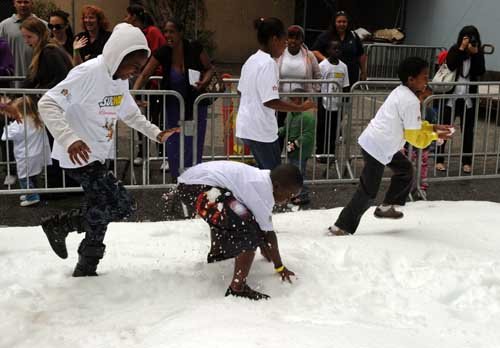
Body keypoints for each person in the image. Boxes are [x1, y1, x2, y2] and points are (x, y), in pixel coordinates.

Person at [37, 23, 179, 277]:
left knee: (100, 205)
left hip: (97, 155)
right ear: (118, 56)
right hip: (78, 156)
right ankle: (60, 225)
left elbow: (131, 114)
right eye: (133, 67)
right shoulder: (88, 73)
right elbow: (47, 103)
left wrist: (156, 133)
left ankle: (86, 267)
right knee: (123, 205)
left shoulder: (119, 80)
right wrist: (69, 139)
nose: (134, 74)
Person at [328, 57, 454, 236]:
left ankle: (386, 207)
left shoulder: (401, 91)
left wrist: (433, 128)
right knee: (368, 192)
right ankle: (341, 226)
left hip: (380, 143)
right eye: (424, 77)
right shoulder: (410, 101)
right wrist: (434, 135)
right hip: (377, 147)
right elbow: (415, 139)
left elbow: (413, 127)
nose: (427, 80)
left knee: (405, 170)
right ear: (411, 79)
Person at [171, 161, 301, 300]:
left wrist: (264, 245)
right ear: (277, 186)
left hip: (192, 183)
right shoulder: (263, 193)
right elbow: (267, 234)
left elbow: (262, 229)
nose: (287, 201)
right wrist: (279, 267)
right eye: (288, 195)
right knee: (247, 230)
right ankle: (238, 288)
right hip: (197, 187)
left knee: (232, 215)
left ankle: (218, 255)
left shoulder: (263, 179)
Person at [134, 18, 214, 180]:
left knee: (194, 142)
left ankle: (194, 177)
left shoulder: (194, 48)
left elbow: (210, 69)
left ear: (180, 33)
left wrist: (204, 81)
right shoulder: (163, 52)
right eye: (165, 32)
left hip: (195, 106)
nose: (168, 35)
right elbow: (144, 74)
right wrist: (133, 93)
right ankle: (178, 177)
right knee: (174, 142)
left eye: (172, 32)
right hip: (173, 107)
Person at [236, 17, 314, 170]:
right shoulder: (268, 64)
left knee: (265, 173)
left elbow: (241, 91)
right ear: (274, 40)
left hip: (247, 126)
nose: (285, 47)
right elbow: (270, 101)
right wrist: (300, 108)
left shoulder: (251, 60)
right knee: (274, 175)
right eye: (284, 42)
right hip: (261, 131)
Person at [435, 25, 486, 174]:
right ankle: (439, 160)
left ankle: (467, 162)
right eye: (467, 37)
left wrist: (475, 54)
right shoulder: (455, 49)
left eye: (472, 37)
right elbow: (450, 65)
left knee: (468, 130)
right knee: (444, 129)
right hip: (451, 96)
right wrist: (462, 49)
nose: (470, 40)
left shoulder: (478, 52)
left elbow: (480, 71)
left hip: (468, 98)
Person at [124, 4, 166, 166]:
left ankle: (163, 154)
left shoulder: (153, 32)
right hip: (140, 81)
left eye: (128, 16)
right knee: (140, 118)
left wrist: (140, 73)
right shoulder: (136, 33)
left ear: (134, 16)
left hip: (153, 83)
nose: (126, 19)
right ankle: (142, 152)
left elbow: (153, 58)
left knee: (156, 119)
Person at [1, 96, 51, 206]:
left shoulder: (19, 124)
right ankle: (33, 193)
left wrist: (6, 126)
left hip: (26, 155)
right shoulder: (38, 119)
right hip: (38, 154)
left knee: (24, 177)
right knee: (33, 175)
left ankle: (32, 197)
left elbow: (6, 137)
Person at [276, 25, 320, 138]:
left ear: (302, 40)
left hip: (302, 106)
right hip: (281, 103)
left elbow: (318, 77)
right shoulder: (279, 54)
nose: (293, 41)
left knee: (296, 137)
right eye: (291, 37)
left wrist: (313, 94)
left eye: (297, 38)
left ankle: (294, 156)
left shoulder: (309, 56)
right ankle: (278, 156)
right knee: (279, 135)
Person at [278, 88, 316, 205]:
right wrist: (278, 131)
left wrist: (294, 145)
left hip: (300, 151)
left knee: (299, 173)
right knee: (294, 172)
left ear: (298, 100)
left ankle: (304, 194)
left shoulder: (308, 117)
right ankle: (296, 193)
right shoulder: (290, 114)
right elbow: (286, 128)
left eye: (291, 99)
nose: (288, 101)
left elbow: (308, 136)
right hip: (292, 150)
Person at [311, 10, 366, 86]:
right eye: (339, 22)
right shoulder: (327, 35)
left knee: (346, 96)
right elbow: (315, 51)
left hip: (350, 74)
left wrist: (363, 71)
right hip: (331, 74)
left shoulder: (353, 36)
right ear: (334, 23)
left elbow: (361, 54)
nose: (342, 24)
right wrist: (326, 61)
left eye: (344, 22)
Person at [317, 40, 350, 164]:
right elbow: (318, 86)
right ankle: (320, 152)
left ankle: (331, 153)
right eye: (334, 48)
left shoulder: (343, 67)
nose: (336, 51)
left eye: (338, 49)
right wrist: (319, 102)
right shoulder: (322, 66)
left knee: (333, 129)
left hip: (338, 104)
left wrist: (346, 101)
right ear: (328, 50)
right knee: (322, 128)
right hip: (324, 103)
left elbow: (346, 85)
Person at [0, 0, 46, 88]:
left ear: (32, 3)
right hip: (12, 83)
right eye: (19, 2)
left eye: (26, 2)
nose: (23, 5)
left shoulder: (43, 25)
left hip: (37, 81)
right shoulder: (3, 26)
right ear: (14, 3)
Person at [20, 16, 72, 89]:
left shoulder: (49, 52)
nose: (26, 41)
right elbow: (31, 79)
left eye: (29, 37)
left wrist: (39, 92)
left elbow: (61, 77)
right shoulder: (46, 49)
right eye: (24, 37)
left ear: (40, 35)